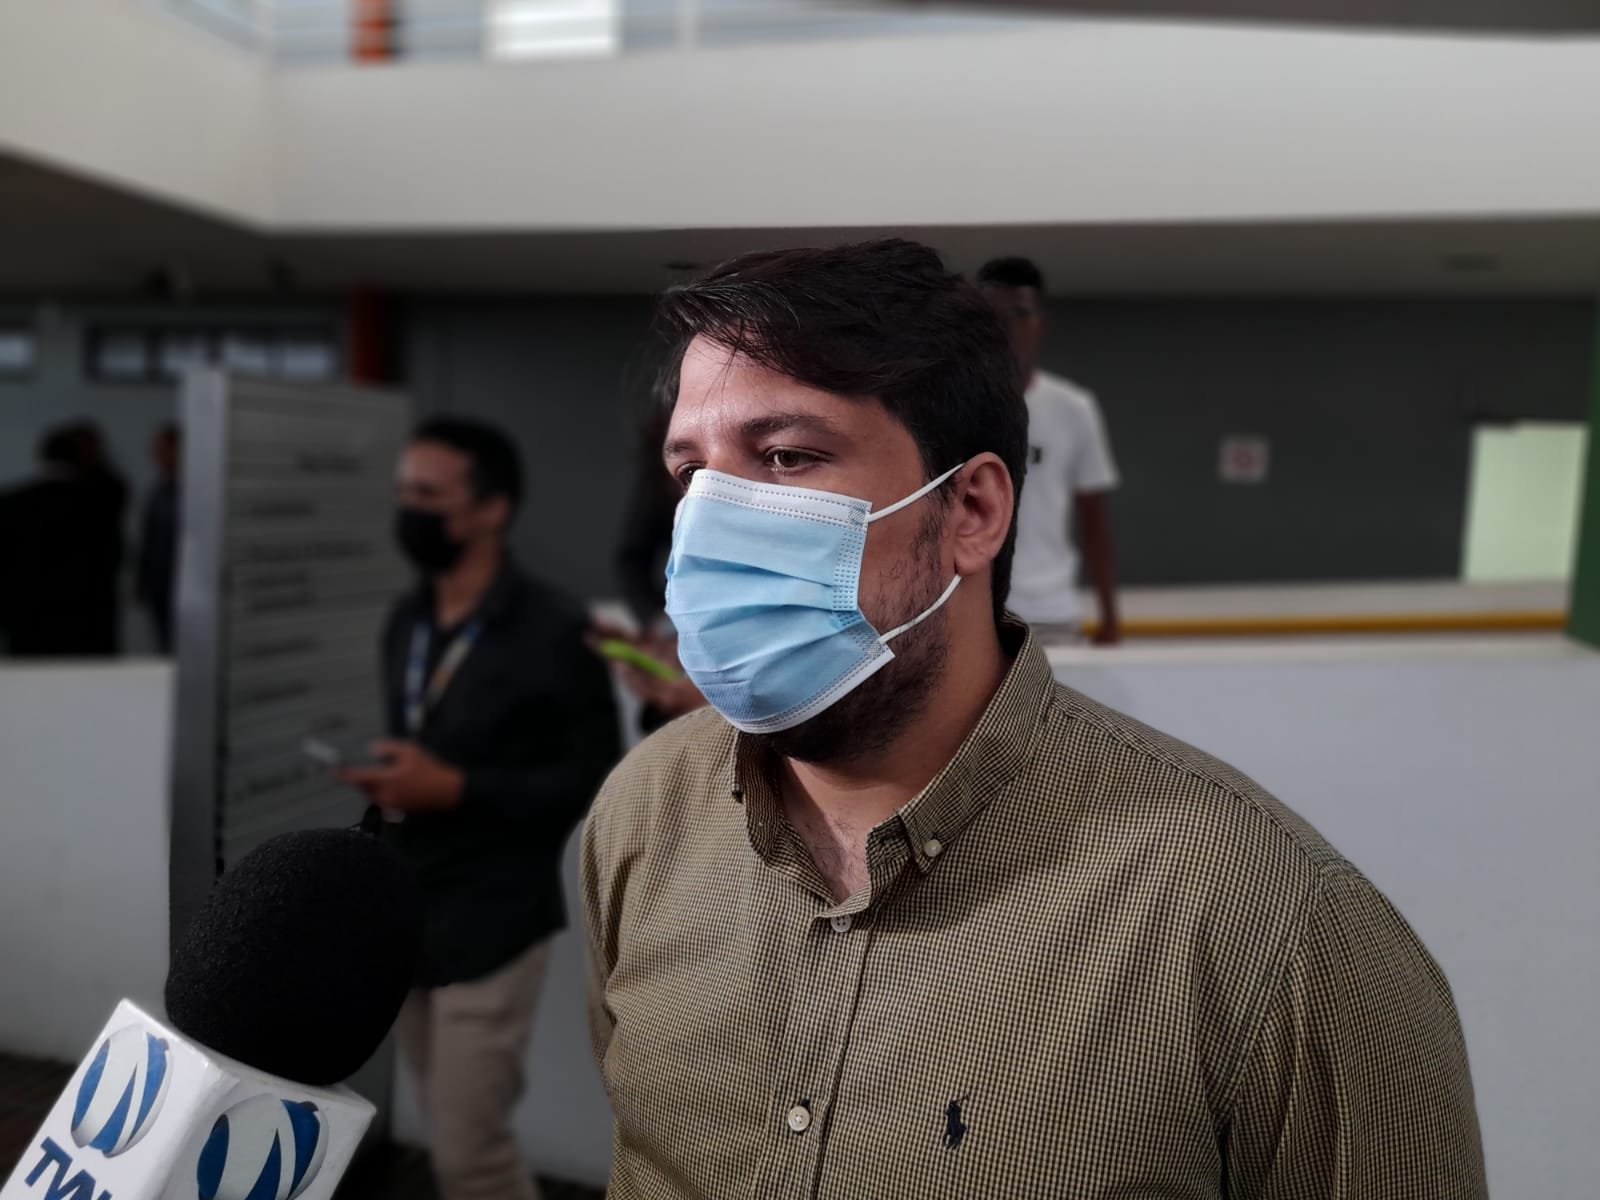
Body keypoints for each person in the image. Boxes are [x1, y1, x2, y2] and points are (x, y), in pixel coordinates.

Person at [581, 240, 1485, 1198]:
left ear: (971, 509)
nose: (715, 521)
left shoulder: (1272, 925)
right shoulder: (645, 811)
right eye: (692, 473)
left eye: (787, 456)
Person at [340, 417, 620, 1200]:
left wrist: (456, 789)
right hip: (406, 913)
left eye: (428, 495)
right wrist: (396, 781)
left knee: (471, 1155)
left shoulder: (556, 631)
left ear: (493, 509)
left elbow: (588, 780)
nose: (409, 510)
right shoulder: (407, 619)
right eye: (403, 492)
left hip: (493, 921)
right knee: (443, 1128)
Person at [978, 256, 1122, 643]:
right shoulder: (955, 406)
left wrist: (1110, 616)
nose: (1008, 328)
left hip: (1052, 612)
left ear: (1041, 322)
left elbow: (1093, 518)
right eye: (996, 316)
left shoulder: (1074, 408)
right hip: (977, 614)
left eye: (1020, 314)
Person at [0, 422, 126, 657]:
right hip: (87, 620)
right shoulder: (98, 505)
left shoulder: (12, 503)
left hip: (28, 619)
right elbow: (112, 558)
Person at [137, 423, 181, 653]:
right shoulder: (159, 489)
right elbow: (149, 538)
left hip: (182, 582)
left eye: (161, 448)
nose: (155, 454)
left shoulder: (193, 490)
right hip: (159, 583)